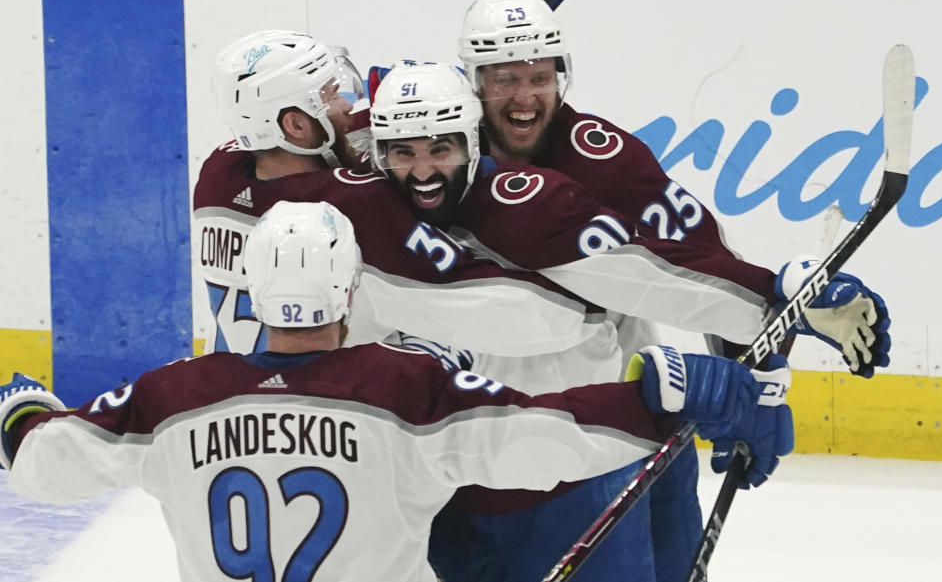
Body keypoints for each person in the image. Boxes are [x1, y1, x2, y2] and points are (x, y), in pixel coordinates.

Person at [0, 201, 791, 582]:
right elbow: (544, 437)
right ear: (350, 290)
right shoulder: (400, 387)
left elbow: (42, 461)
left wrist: (23, 410)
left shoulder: (173, 397)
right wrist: (671, 398)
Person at [366, 59, 885, 581]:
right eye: (404, 150)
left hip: (572, 475)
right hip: (444, 492)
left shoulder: (536, 202)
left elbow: (659, 272)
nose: (425, 169)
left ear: (470, 141)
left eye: (442, 148)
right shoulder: (360, 204)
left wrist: (777, 298)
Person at [194, 29, 612, 361]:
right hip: (342, 415)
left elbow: (322, 147)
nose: (343, 105)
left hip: (242, 394)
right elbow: (490, 307)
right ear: (296, 126)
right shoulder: (355, 203)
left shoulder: (219, 173)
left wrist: (402, 100)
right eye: (329, 96)